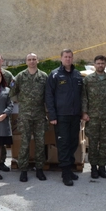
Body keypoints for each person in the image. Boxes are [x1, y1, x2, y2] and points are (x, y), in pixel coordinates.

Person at [45, 49, 83, 186]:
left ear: (72, 59)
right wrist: (52, 115)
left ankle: (69, 168)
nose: (68, 59)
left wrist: (82, 113)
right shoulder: (55, 75)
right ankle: (65, 173)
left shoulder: (77, 74)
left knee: (73, 142)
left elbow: (81, 96)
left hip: (74, 116)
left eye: (70, 57)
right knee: (63, 144)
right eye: (65, 57)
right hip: (61, 116)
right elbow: (49, 96)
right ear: (61, 58)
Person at [10, 53, 48, 182]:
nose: (32, 61)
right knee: (24, 143)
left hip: (39, 115)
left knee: (40, 142)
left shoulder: (43, 76)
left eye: (34, 59)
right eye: (29, 60)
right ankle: (24, 170)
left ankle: (39, 169)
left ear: (37, 60)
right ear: (26, 62)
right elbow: (12, 93)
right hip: (25, 115)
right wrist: (21, 102)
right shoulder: (20, 76)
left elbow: (48, 94)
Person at [82, 55, 106, 179]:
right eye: (98, 63)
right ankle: (93, 168)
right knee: (93, 143)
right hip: (93, 117)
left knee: (105, 143)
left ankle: (102, 167)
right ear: (94, 65)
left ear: (105, 64)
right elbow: (84, 97)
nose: (100, 65)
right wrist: (84, 112)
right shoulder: (88, 80)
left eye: (102, 63)